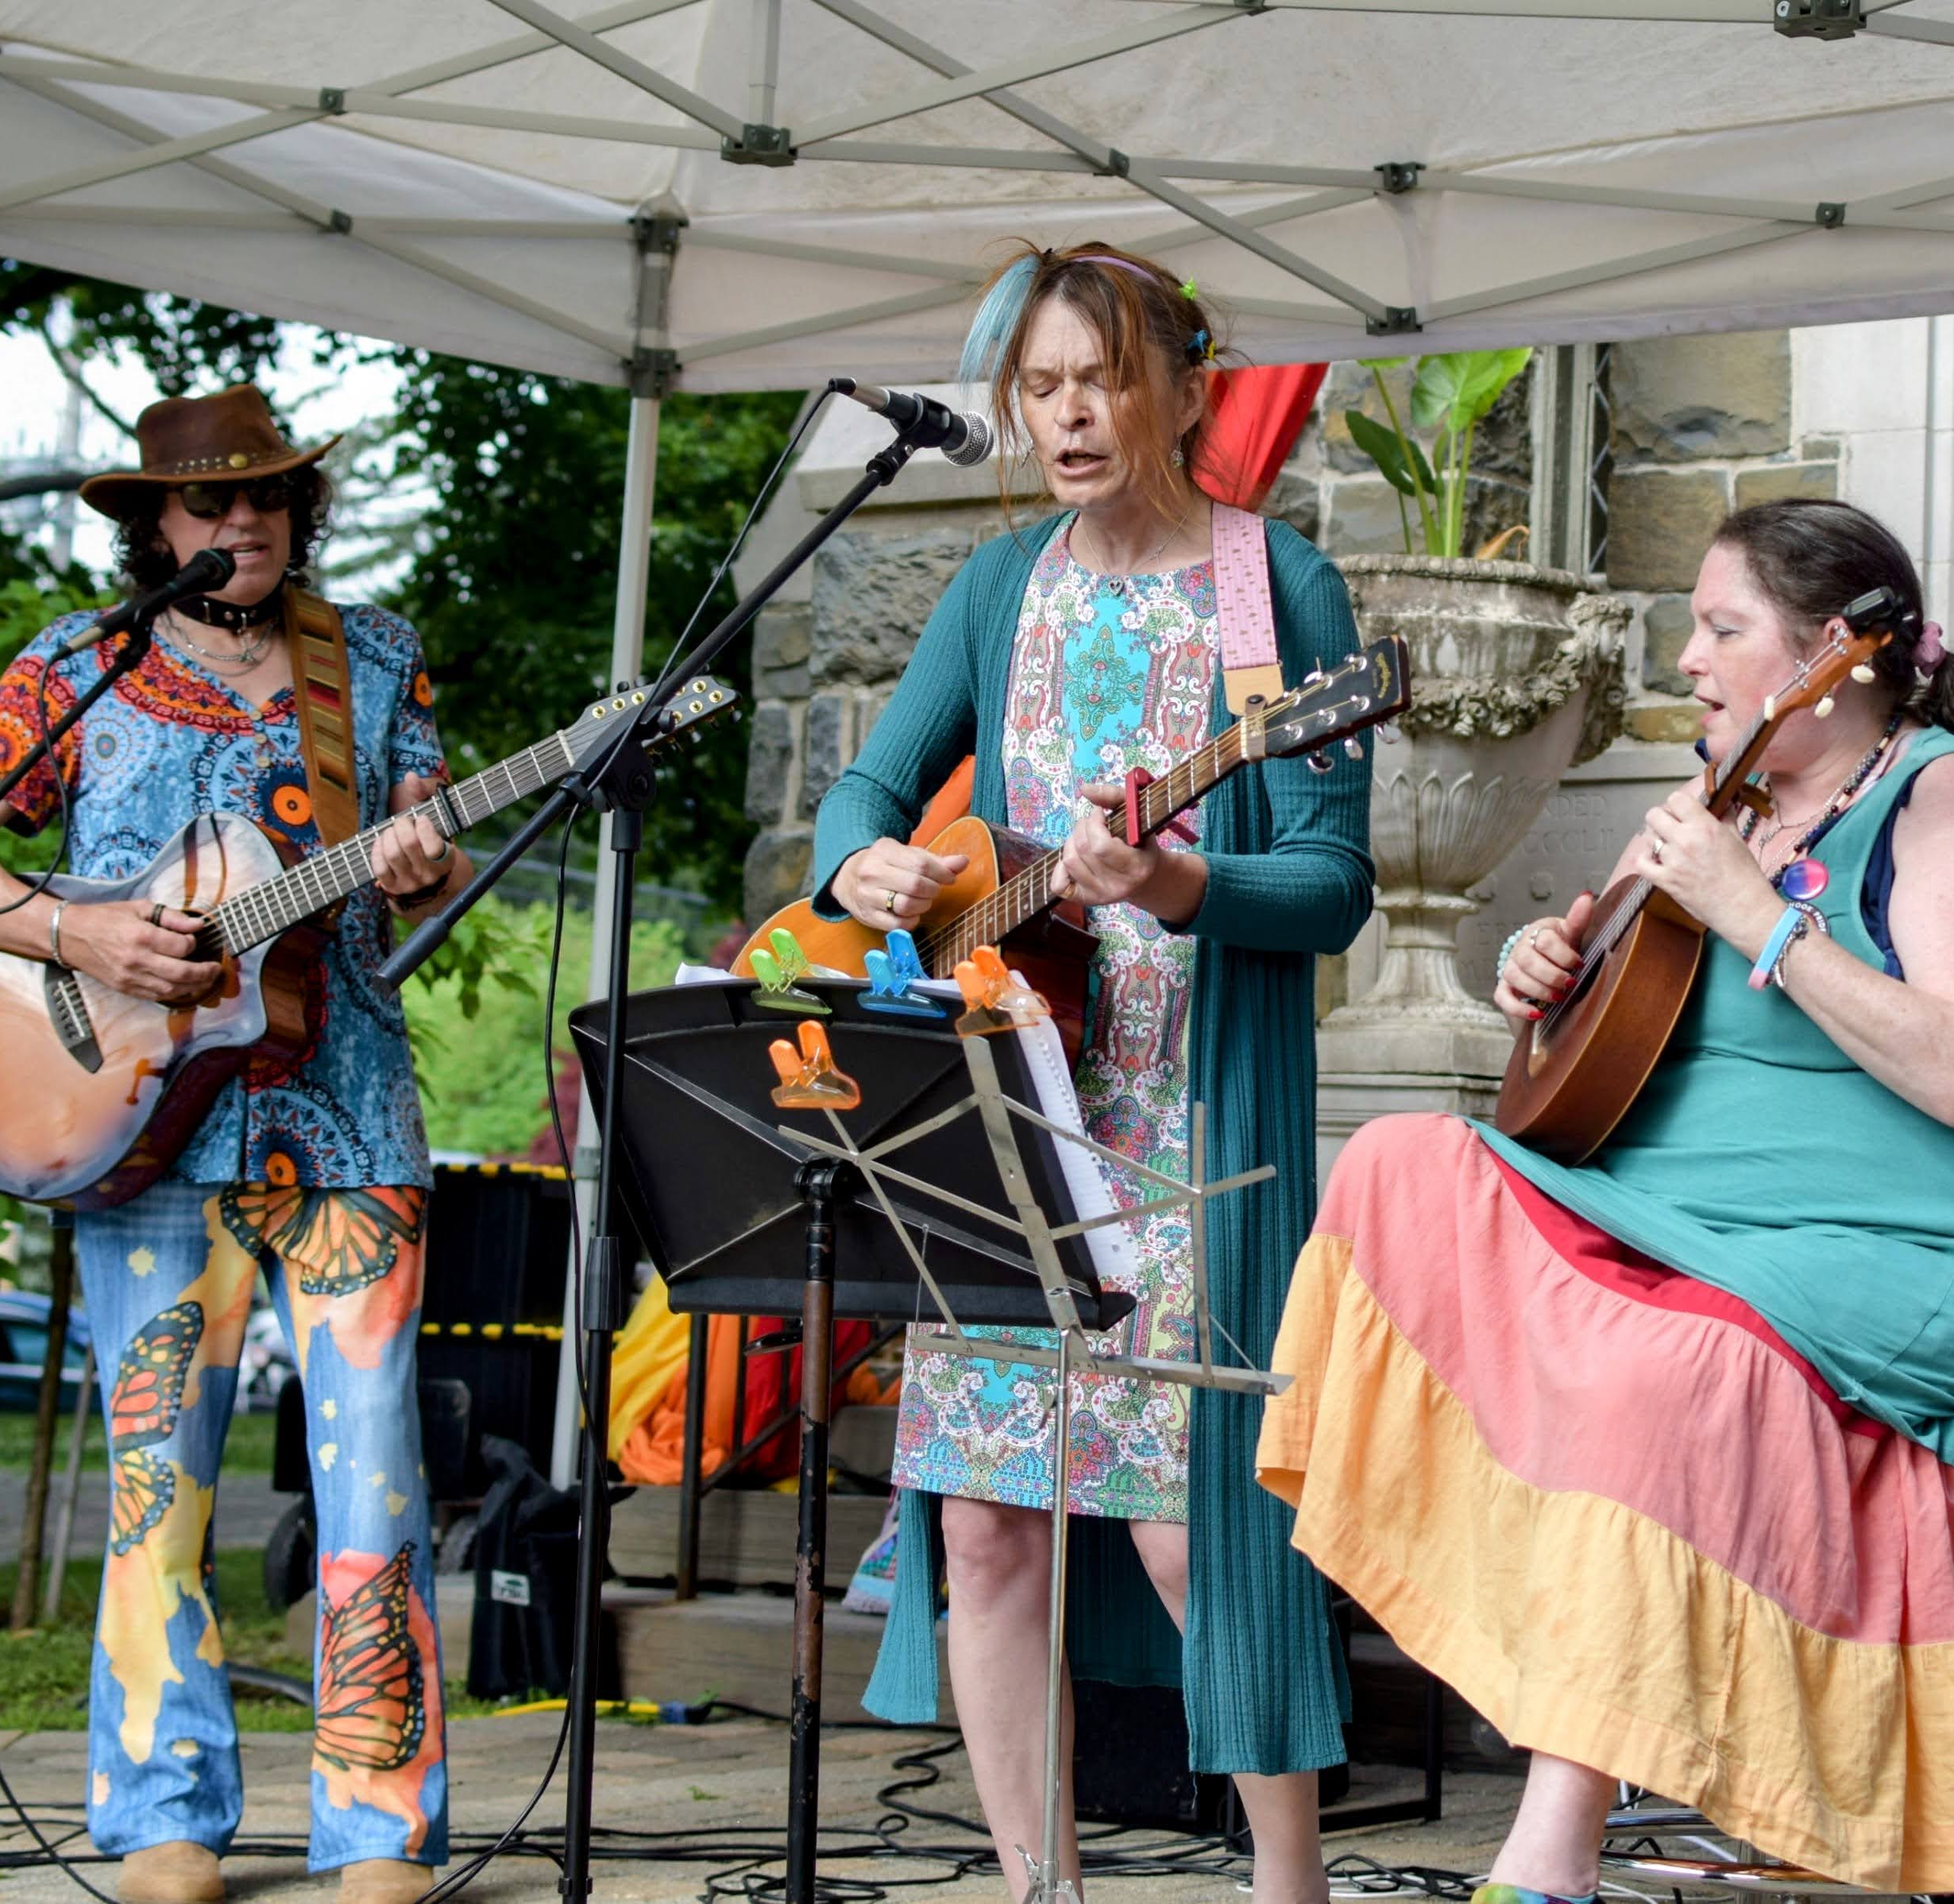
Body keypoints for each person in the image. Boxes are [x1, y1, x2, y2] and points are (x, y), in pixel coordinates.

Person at [1259, 497, 1954, 1904]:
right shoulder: (1713, 809)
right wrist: (1539, 970)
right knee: (1398, 1161)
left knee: (1669, 1374)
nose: (1685, 659)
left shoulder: (1951, 798)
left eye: (1720, 628)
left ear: (1831, 649)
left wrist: (1757, 911)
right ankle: (1546, 1684)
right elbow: (1586, 1047)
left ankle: (1548, 1854)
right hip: (1675, 1224)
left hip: (1896, 1248)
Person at [815, 241, 1372, 1903]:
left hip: (1187, 1117)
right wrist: (869, 869)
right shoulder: (1001, 587)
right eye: (1041, 384)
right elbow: (870, 789)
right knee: (987, 1518)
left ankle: (1289, 1883)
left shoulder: (1280, 594)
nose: (1069, 413)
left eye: (1101, 378)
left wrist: (1181, 884)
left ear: (1185, 390)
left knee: (1191, 1520)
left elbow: (1334, 879)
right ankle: (1034, 1883)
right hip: (1004, 1113)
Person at [0, 386, 465, 1904]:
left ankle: (379, 1827)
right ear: (157, 525)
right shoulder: (77, 665)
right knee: (158, 1485)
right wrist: (80, 928)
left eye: (268, 495)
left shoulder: (374, 656)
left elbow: (422, 863)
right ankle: (162, 1815)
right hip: (138, 1127)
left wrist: (423, 856)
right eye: (210, 504)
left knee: (375, 1484)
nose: (245, 521)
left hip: (345, 1114)